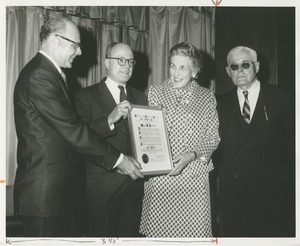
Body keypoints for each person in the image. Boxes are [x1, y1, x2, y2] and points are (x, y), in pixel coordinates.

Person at [13, 17, 144, 237]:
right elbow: (74, 130)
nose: (80, 52)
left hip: (56, 196)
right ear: (55, 40)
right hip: (45, 197)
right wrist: (120, 160)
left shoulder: (48, 73)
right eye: (75, 45)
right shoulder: (40, 76)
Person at [139, 42, 220, 237]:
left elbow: (213, 137)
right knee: (160, 235)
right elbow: (146, 132)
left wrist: (191, 155)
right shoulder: (156, 91)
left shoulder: (207, 97)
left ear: (195, 71)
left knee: (191, 235)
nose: (176, 73)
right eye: (173, 66)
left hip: (194, 178)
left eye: (183, 67)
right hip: (162, 178)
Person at [217, 46, 295, 237]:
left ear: (257, 66)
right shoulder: (219, 104)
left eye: (245, 64)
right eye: (234, 67)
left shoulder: (283, 98)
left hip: (272, 196)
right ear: (228, 72)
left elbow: (293, 147)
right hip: (234, 199)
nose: (240, 70)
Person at [74, 42, 147, 237]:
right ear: (107, 63)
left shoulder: (141, 97)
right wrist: (109, 119)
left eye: (131, 62)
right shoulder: (85, 95)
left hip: (134, 186)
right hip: (102, 189)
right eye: (120, 60)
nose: (127, 66)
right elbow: (80, 138)